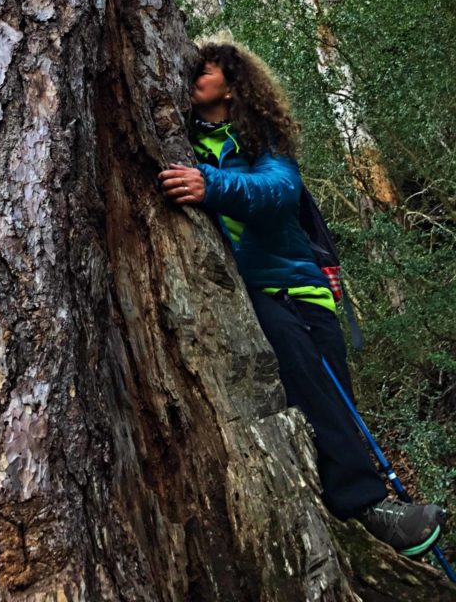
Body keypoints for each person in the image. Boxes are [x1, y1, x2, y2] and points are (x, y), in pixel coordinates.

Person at [158, 40, 447, 556]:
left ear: (235, 83)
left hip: (295, 289)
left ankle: (366, 506)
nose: (197, 72)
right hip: (241, 294)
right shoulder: (184, 141)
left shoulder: (262, 141)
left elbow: (278, 194)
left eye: (210, 67)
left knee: (328, 397)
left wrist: (210, 185)